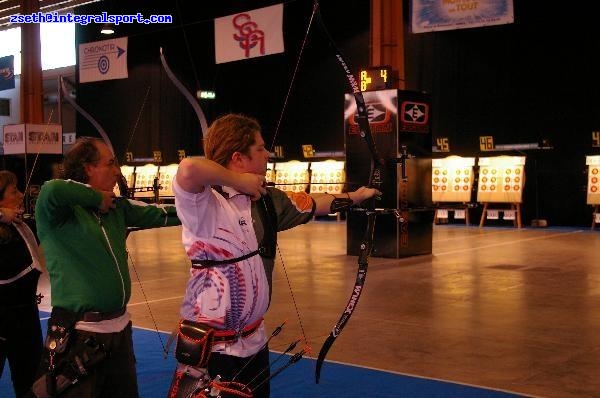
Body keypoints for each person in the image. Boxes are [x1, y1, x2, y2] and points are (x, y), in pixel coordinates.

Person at [168, 113, 380, 398]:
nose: (268, 153)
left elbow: (314, 203)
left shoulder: (266, 201)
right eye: (259, 148)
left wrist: (358, 196)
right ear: (238, 158)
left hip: (255, 342)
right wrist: (237, 181)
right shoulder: (203, 201)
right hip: (212, 349)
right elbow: (189, 169)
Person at [31, 137, 180, 398]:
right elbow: (52, 189)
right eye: (110, 163)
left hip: (119, 331)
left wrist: (203, 208)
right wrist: (95, 198)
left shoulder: (115, 207)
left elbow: (161, 213)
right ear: (88, 168)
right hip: (80, 335)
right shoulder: (59, 211)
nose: (116, 170)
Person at [0, 171, 44, 397]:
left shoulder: (22, 226)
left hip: (26, 318)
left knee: (30, 385)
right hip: (1, 318)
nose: (20, 195)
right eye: (13, 191)